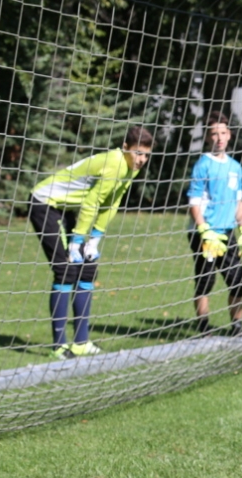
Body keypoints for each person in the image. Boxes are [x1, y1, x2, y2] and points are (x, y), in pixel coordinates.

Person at [29, 125, 154, 360]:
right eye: (138, 153)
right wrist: (77, 241)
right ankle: (58, 347)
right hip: (45, 203)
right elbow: (91, 202)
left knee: (87, 268)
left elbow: (112, 202)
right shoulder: (115, 162)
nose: (142, 160)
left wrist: (95, 238)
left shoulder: (130, 167)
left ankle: (81, 343)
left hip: (64, 208)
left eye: (146, 155)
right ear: (125, 147)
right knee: (65, 270)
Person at [187, 111, 242, 336]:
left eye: (223, 132)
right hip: (206, 234)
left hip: (227, 231)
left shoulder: (235, 167)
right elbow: (194, 203)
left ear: (229, 135)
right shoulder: (202, 165)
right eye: (214, 134)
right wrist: (204, 230)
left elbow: (238, 201)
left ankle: (237, 328)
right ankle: (204, 329)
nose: (219, 138)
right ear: (208, 137)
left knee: (239, 281)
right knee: (206, 281)